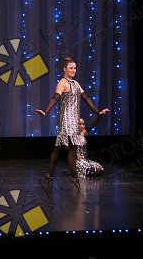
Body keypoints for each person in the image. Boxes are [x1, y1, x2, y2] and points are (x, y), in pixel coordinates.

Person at [36, 57, 109, 189]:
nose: (73, 70)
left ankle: (51, 175)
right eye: (71, 68)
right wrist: (46, 111)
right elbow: (55, 98)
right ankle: (73, 177)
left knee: (62, 148)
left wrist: (97, 112)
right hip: (65, 119)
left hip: (74, 120)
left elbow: (86, 98)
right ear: (65, 69)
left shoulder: (76, 83)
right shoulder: (62, 83)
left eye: (75, 68)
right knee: (69, 148)